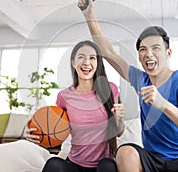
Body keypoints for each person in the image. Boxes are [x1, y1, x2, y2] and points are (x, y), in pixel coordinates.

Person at [77, 0, 178, 172]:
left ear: (168, 53)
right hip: (153, 161)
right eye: (143, 49)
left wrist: (163, 104)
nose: (148, 54)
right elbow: (107, 52)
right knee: (125, 152)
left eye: (156, 48)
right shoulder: (140, 79)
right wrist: (89, 15)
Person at [24, 40, 125, 172]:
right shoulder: (64, 96)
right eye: (81, 57)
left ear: (97, 63)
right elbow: (55, 131)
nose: (86, 62)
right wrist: (35, 131)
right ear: (73, 62)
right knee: (53, 163)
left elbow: (119, 132)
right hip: (75, 165)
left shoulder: (110, 89)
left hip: (103, 165)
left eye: (92, 58)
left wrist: (119, 119)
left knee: (107, 166)